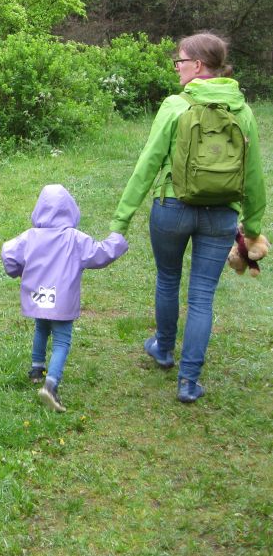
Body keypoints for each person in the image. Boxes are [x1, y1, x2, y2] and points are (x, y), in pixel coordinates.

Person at [110, 32, 266, 404]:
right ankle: (188, 381)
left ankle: (164, 349)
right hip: (221, 215)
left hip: (172, 209)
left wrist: (121, 220)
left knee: (168, 279)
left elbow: (147, 164)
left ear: (197, 65)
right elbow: (254, 177)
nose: (177, 68)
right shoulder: (242, 111)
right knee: (201, 297)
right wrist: (252, 229)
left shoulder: (175, 106)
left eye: (180, 61)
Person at [2, 184, 128, 412]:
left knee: (41, 327)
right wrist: (117, 240)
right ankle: (50, 386)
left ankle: (36, 369)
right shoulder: (75, 239)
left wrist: (18, 271)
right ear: (71, 210)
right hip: (61, 300)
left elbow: (9, 253)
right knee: (61, 341)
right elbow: (99, 253)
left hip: (38, 295)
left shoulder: (30, 237)